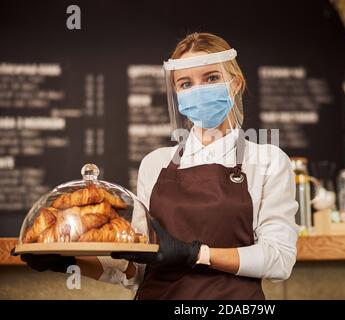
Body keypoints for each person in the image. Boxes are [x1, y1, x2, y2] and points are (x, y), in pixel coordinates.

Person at [18, 32, 299, 300]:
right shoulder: (155, 164)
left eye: (211, 78)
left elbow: (279, 260)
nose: (198, 91)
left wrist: (196, 254)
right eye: (186, 84)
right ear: (176, 92)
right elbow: (138, 270)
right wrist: (70, 263)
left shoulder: (268, 160)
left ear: (235, 83)